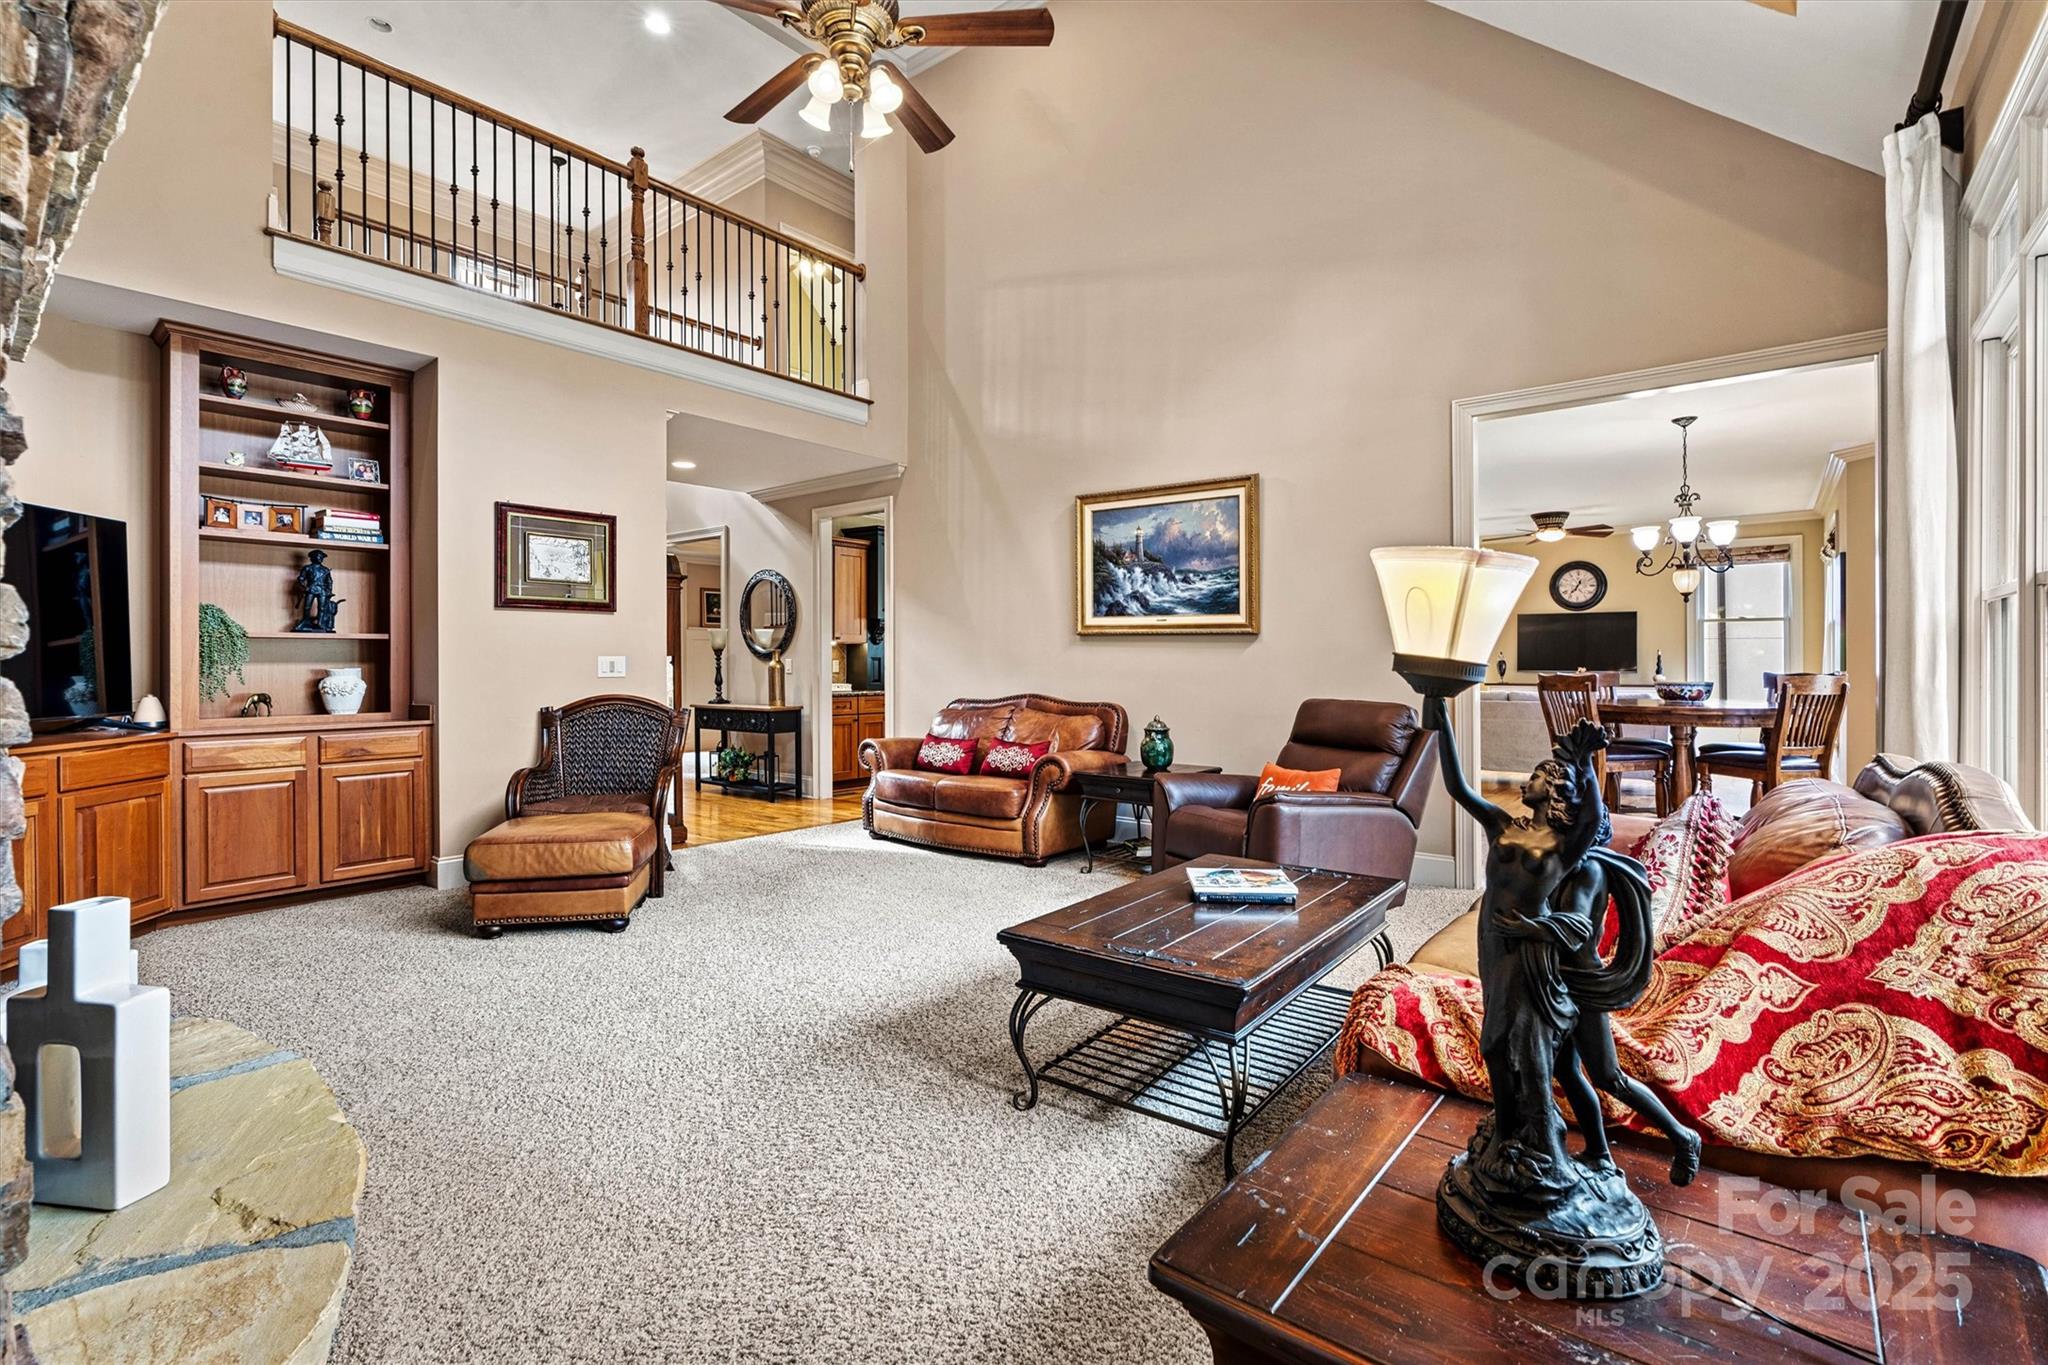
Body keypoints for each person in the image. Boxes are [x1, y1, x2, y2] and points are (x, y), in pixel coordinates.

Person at [1429, 705, 1701, 1189]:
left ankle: (1677, 1138)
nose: (1526, 779)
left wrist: (1583, 762)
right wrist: (1439, 714)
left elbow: (1591, 830)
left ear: (1558, 792)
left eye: (1539, 774)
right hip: (1507, 952)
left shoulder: (1571, 855)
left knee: (1600, 1073)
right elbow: (1458, 787)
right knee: (1567, 1071)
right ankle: (1594, 1151)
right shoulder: (1502, 826)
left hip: (1564, 975)